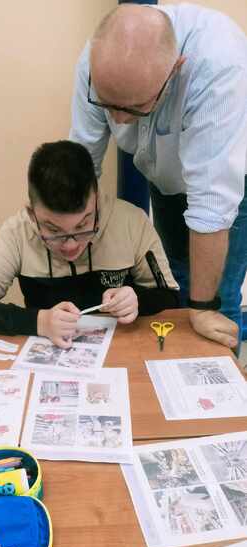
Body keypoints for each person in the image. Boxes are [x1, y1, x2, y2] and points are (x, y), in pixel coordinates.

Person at [70, 3, 247, 350]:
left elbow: (212, 204)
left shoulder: (219, 64)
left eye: (134, 108)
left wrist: (202, 308)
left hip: (231, 186)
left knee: (216, 306)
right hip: (164, 178)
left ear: (176, 69)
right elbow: (83, 159)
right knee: (175, 279)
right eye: (107, 104)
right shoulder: (96, 59)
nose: (119, 121)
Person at [0, 140, 179, 347]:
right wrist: (39, 322)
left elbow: (171, 298)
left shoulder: (131, 221)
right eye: (53, 230)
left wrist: (137, 299)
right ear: (31, 214)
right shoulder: (17, 232)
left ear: (97, 202)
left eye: (82, 226)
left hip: (123, 352)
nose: (70, 246)